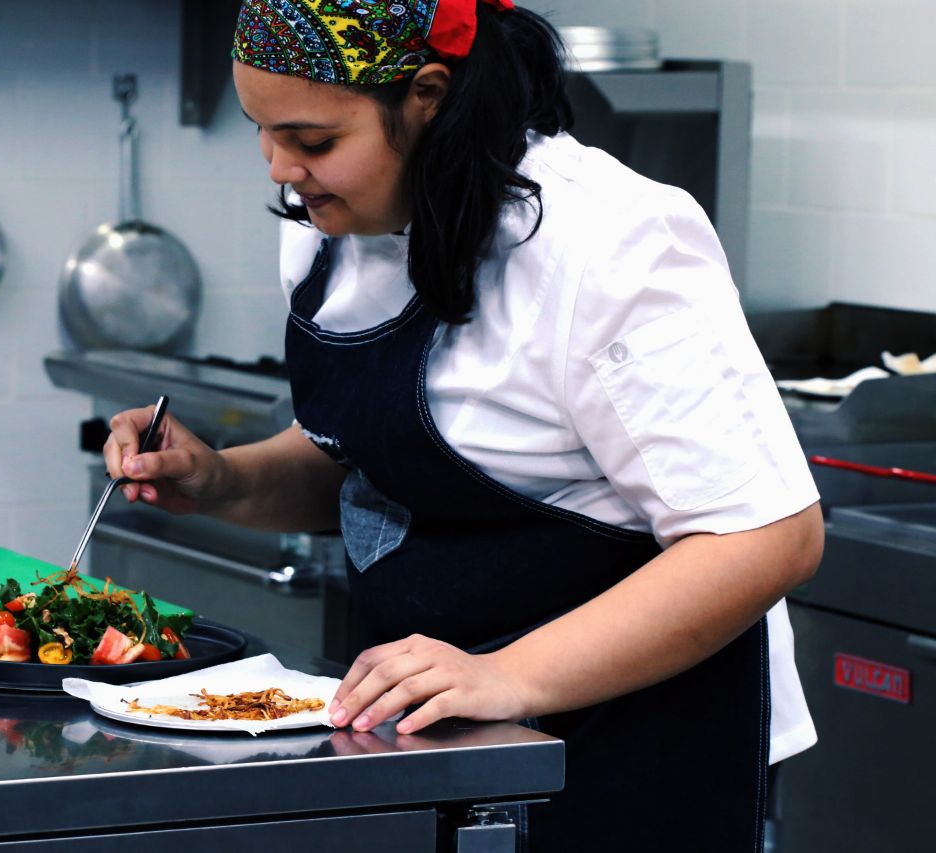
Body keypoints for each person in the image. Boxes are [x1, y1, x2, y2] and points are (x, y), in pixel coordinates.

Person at [104, 1, 824, 849]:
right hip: (446, 746)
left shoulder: (610, 243)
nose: (281, 168)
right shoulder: (333, 227)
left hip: (638, 748)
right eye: (262, 131)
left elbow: (765, 538)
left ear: (429, 96)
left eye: (313, 140)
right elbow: (374, 460)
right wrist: (222, 479)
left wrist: (506, 676)